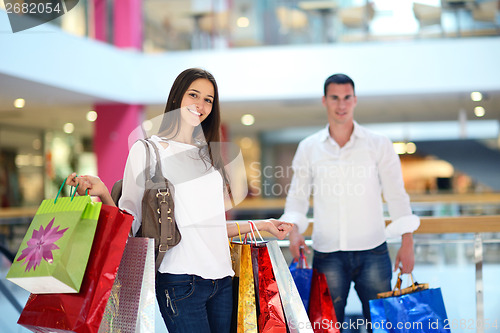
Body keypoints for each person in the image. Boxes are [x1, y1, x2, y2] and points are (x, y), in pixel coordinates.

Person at [68, 68, 293, 333]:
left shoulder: (209, 158)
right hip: (179, 281)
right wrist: (104, 193)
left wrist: (264, 224)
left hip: (222, 281)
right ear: (177, 98)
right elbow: (129, 223)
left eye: (208, 99)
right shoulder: (147, 150)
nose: (201, 105)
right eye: (194, 95)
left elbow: (211, 227)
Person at [281, 73, 420, 329]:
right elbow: (297, 197)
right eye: (335, 98)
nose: (341, 104)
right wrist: (294, 231)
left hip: (373, 251)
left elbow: (396, 194)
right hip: (327, 253)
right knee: (326, 327)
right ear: (324, 101)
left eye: (347, 98)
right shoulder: (309, 147)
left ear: (355, 100)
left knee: (382, 326)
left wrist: (407, 241)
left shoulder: (379, 144)